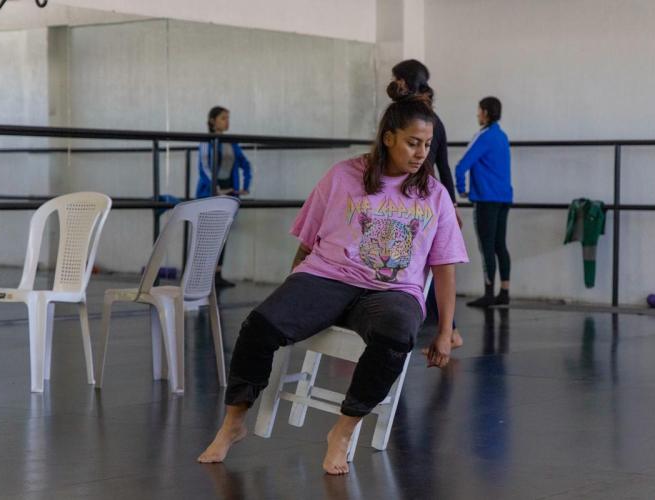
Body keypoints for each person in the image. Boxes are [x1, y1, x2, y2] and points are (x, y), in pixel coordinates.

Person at [197, 95, 468, 475]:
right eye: (413, 142)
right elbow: (307, 242)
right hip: (326, 276)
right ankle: (233, 423)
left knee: (396, 335)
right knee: (259, 325)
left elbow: (444, 267)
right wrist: (292, 292)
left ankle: (342, 430)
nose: (422, 153)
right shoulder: (343, 175)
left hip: (392, 292)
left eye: (428, 144)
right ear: (388, 137)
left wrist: (444, 331)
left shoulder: (434, 196)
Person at [388, 59, 464, 348]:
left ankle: (449, 329)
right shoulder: (427, 118)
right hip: (416, 198)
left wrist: (450, 207)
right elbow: (445, 166)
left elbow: (442, 166)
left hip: (416, 199)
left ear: (404, 82)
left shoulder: (417, 120)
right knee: (427, 266)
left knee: (421, 265)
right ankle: (450, 329)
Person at [455, 96, 512, 307]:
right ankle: (504, 292)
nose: (477, 114)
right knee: (500, 245)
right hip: (504, 198)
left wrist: (461, 190)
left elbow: (461, 166)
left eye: (479, 111)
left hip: (486, 200)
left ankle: (489, 293)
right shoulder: (502, 136)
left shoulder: (484, 136)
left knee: (487, 246)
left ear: (486, 113)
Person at [196, 106, 252, 288]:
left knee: (222, 233)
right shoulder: (207, 141)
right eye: (222, 118)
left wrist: (245, 186)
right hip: (211, 192)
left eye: (228, 118)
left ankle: (217, 275)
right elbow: (204, 167)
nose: (226, 122)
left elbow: (245, 163)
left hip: (229, 192)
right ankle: (202, 275)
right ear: (212, 121)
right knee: (207, 234)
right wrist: (216, 188)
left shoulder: (231, 142)